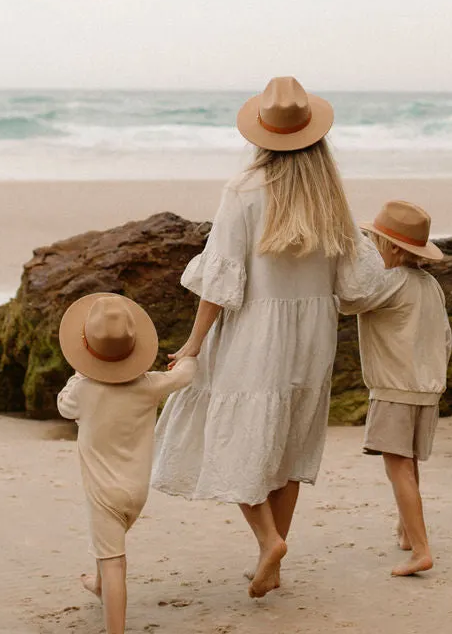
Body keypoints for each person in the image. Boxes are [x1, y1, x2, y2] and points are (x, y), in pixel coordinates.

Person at [151, 75, 382, 598]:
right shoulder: (331, 196)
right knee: (290, 444)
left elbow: (221, 278)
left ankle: (267, 540)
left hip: (256, 329)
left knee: (238, 439)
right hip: (313, 332)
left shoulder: (244, 190)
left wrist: (192, 343)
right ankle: (273, 556)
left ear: (261, 134)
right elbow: (357, 284)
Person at [56, 292, 197, 634]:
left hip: (102, 493)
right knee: (109, 549)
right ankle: (100, 584)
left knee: (114, 559)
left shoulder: (83, 390)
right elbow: (186, 375)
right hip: (137, 491)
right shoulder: (149, 385)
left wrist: (79, 371)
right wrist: (188, 355)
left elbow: (63, 405)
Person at [340, 199, 452, 577]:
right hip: (426, 388)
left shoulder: (390, 282)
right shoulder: (430, 284)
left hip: (394, 388)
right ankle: (407, 533)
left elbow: (349, 301)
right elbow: (446, 338)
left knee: (398, 467)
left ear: (390, 249)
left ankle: (421, 549)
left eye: (375, 243)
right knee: (409, 463)